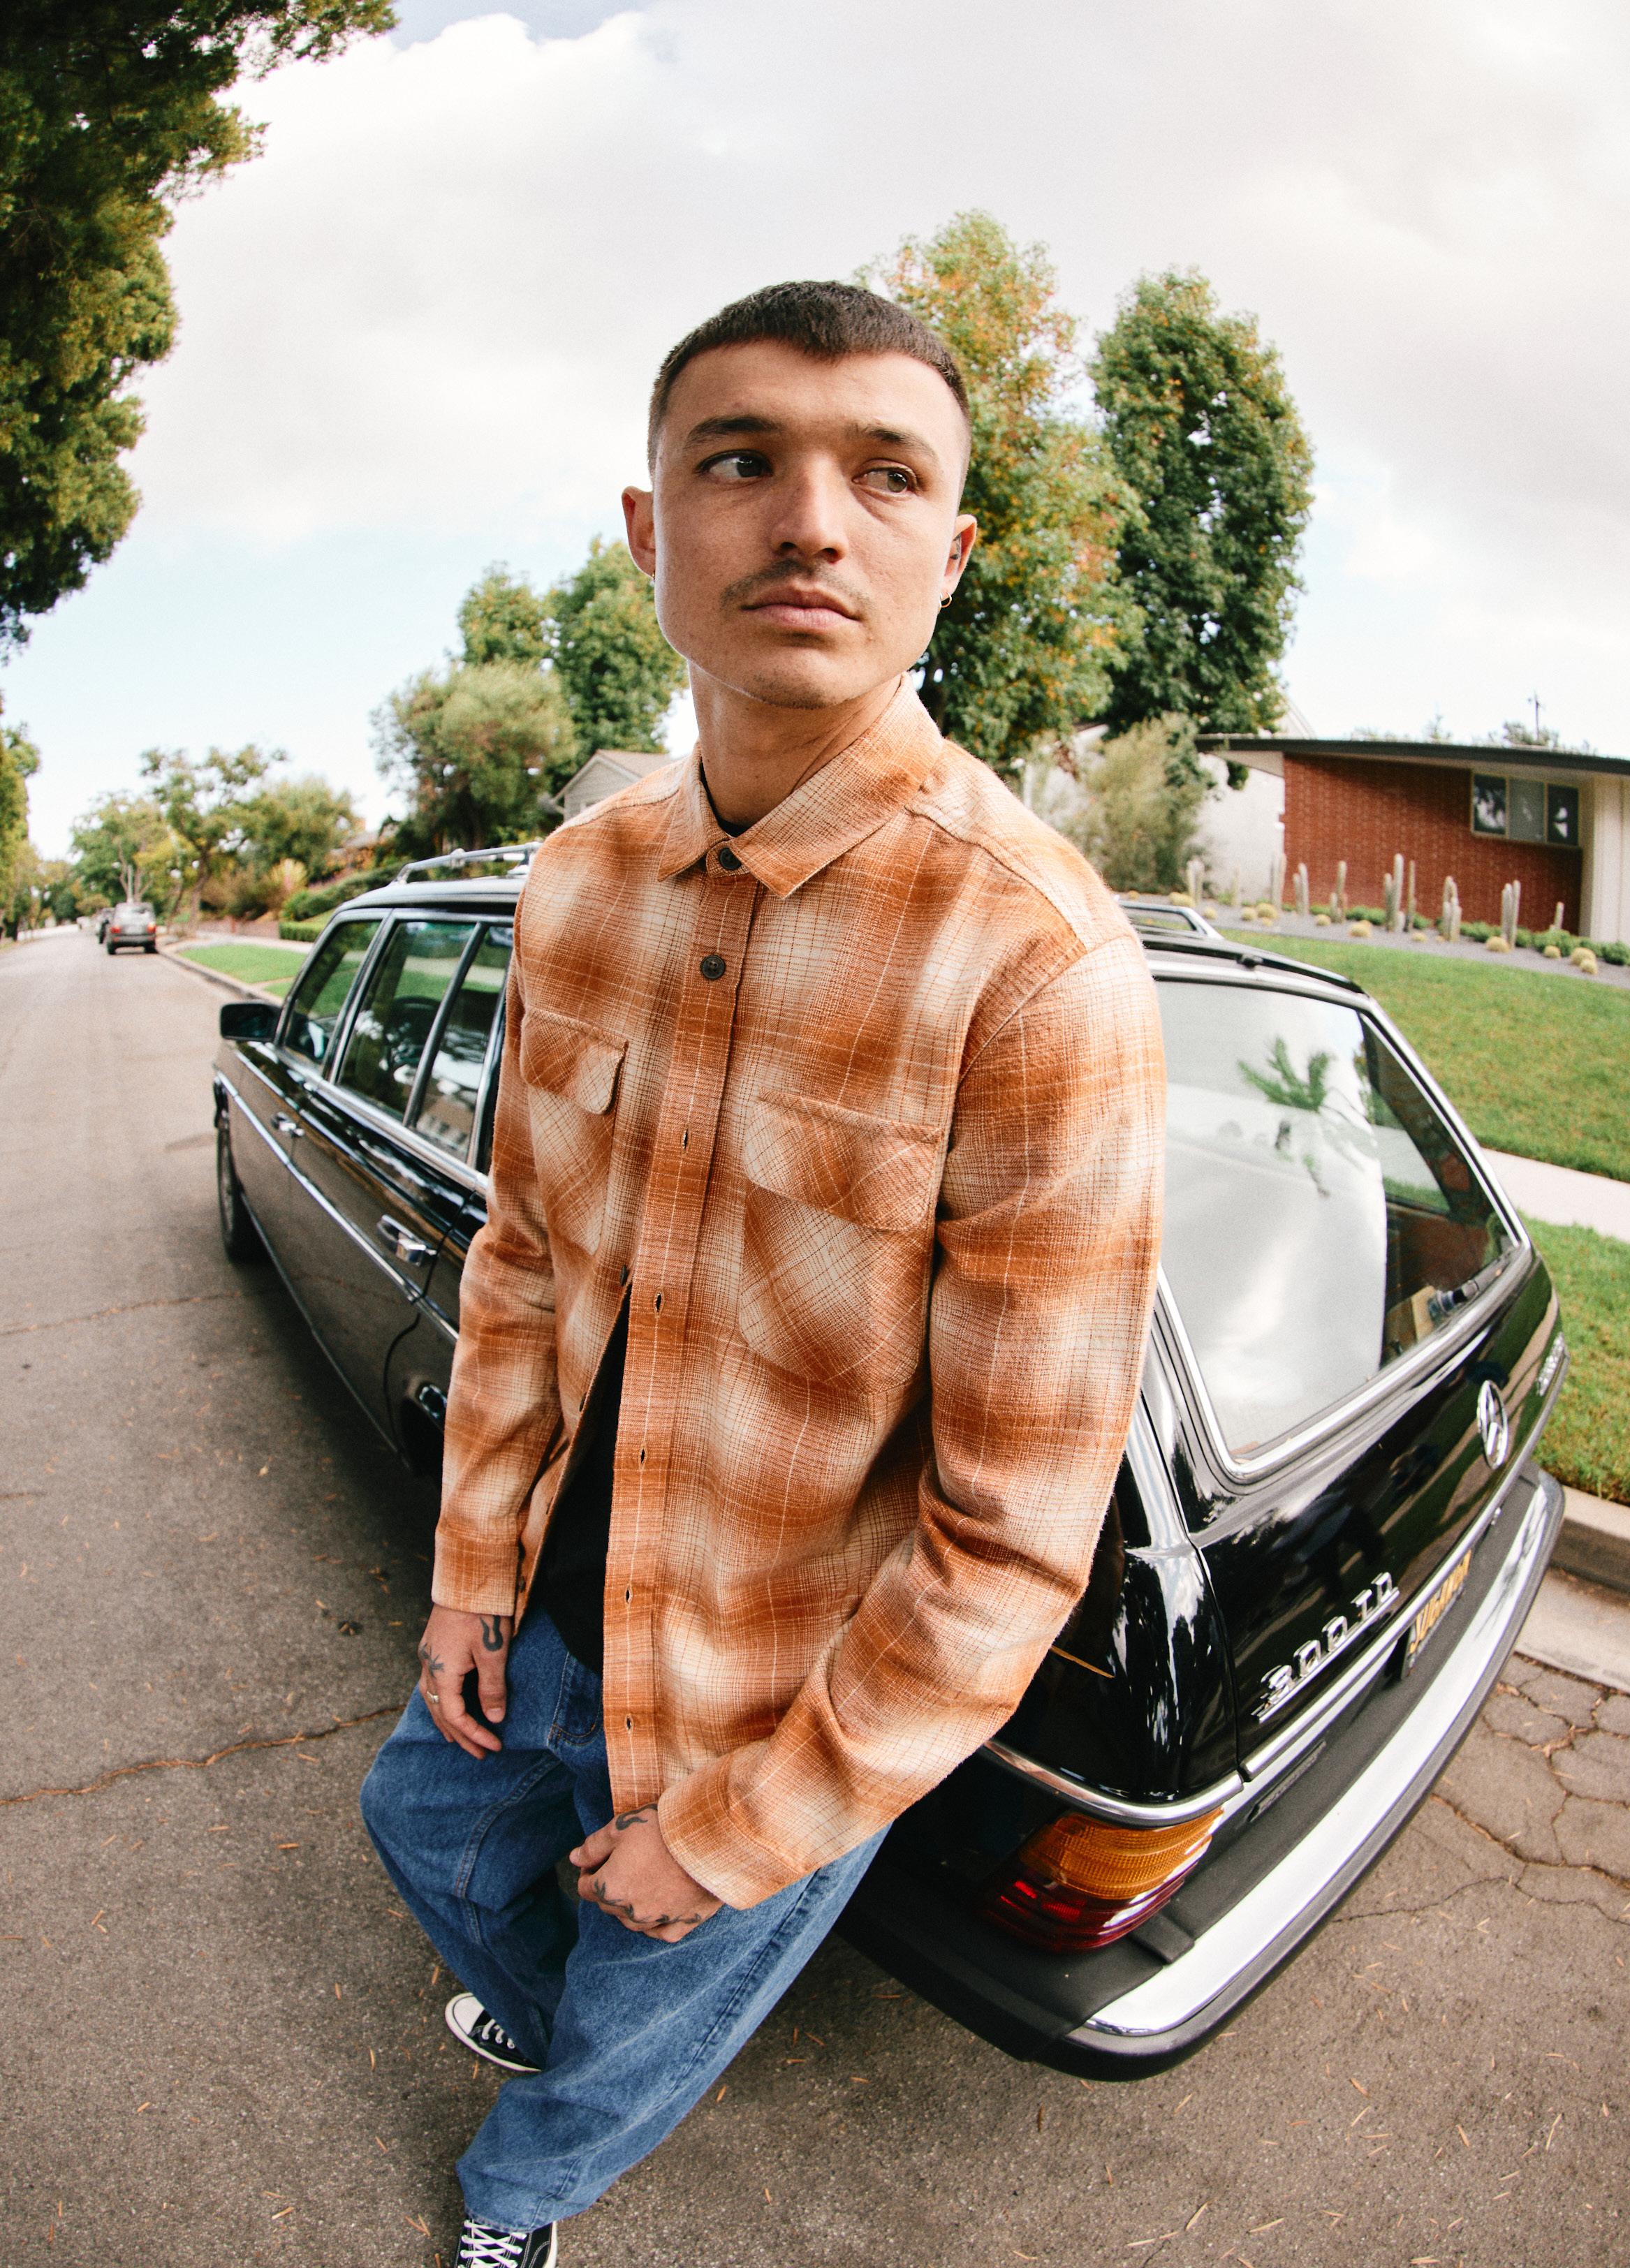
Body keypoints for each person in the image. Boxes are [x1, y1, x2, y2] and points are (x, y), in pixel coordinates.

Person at [361, 279, 1165, 2268]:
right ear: (651, 530)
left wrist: (737, 1834)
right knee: (418, 1826)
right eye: (743, 461)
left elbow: (1011, 1540)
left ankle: (525, 2190)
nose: (811, 521)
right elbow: (526, 1265)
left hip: (773, 1693)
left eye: (885, 474)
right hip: (553, 1607)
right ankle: (568, 2029)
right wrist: (471, 1569)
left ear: (948, 554)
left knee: (656, 1995)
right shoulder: (579, 881)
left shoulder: (1039, 965)